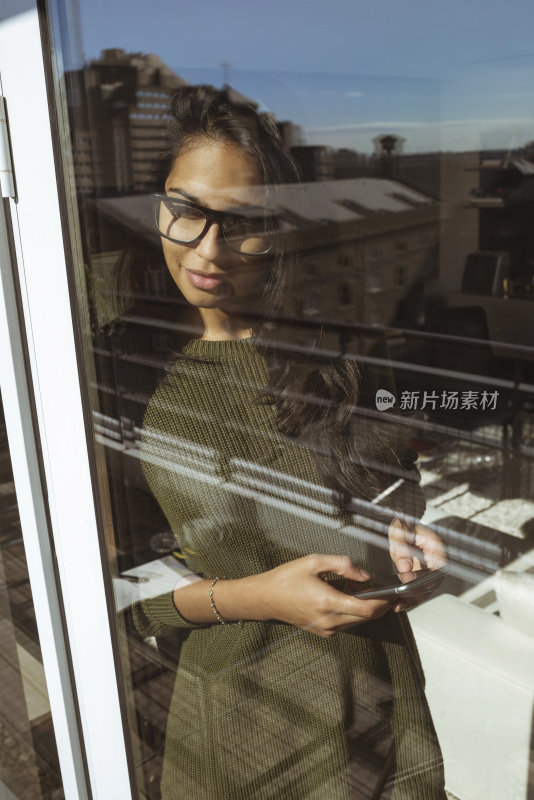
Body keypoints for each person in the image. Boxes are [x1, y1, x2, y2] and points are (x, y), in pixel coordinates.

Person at [128, 86, 447, 800]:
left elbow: (396, 478)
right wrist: (259, 597)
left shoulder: (338, 356)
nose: (208, 249)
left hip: (374, 702)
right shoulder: (125, 381)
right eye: (185, 212)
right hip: (238, 731)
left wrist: (406, 527)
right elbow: (116, 596)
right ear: (156, 206)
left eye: (241, 223)